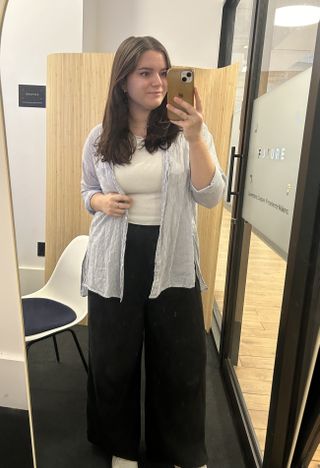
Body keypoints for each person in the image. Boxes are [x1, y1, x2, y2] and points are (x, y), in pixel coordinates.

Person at [81, 36, 226, 468]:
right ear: (123, 81)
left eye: (163, 72)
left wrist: (197, 136)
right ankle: (120, 447)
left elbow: (211, 195)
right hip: (115, 259)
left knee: (180, 362)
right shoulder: (100, 137)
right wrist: (100, 202)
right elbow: (87, 189)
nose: (158, 82)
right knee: (113, 360)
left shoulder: (187, 133)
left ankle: (179, 450)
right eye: (145, 72)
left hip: (173, 258)